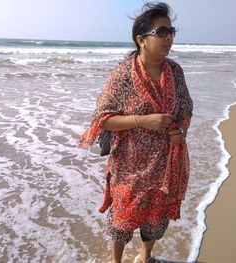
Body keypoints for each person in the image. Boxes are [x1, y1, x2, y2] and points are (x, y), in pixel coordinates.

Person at [79, 2, 193, 263]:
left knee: (156, 215)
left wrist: (183, 130)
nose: (169, 38)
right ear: (141, 39)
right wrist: (143, 121)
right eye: (161, 32)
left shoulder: (175, 71)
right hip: (130, 164)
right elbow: (103, 119)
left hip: (166, 162)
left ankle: (145, 256)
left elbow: (186, 107)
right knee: (123, 219)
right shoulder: (123, 75)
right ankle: (115, 261)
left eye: (171, 31)